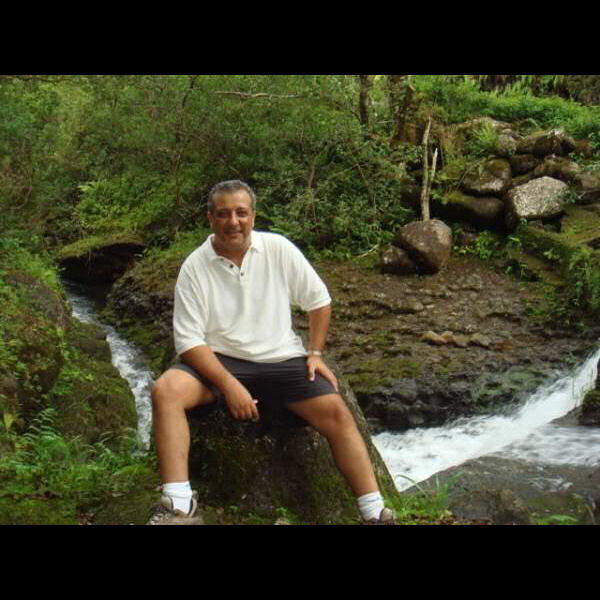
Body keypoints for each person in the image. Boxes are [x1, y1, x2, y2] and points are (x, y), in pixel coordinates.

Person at [147, 180, 394, 525]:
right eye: (223, 214)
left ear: (253, 215)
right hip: (220, 359)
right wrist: (230, 385)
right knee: (166, 390)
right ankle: (179, 505)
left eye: (241, 213)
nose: (233, 221)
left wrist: (315, 353)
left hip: (281, 358)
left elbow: (319, 301)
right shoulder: (195, 266)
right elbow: (189, 341)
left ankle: (375, 513)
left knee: (337, 412)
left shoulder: (278, 249)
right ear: (210, 218)